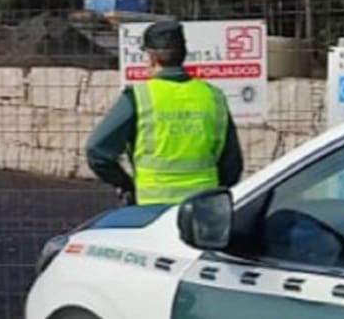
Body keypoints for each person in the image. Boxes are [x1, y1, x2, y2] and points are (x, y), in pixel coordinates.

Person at [85, 20, 244, 206]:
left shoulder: (138, 97)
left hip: (152, 206)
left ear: (152, 58)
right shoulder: (213, 97)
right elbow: (233, 164)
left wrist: (126, 184)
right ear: (183, 55)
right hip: (203, 208)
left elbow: (97, 151)